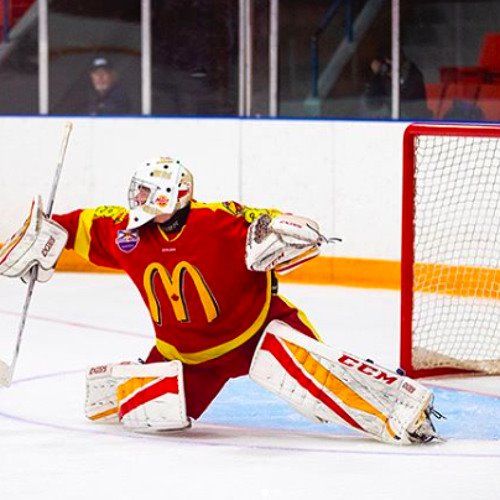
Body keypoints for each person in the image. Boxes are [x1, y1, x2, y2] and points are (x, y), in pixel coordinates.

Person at [0, 157, 442, 445]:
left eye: (144, 193)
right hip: (186, 358)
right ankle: (137, 377)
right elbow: (74, 228)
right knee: (138, 415)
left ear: (171, 196)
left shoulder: (219, 222)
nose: (134, 200)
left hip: (258, 332)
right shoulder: (125, 232)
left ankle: (399, 404)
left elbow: (273, 226)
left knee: (324, 379)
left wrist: (283, 231)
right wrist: (44, 237)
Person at [363, 53, 431, 119]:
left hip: (413, 121)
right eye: (385, 61)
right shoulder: (384, 78)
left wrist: (395, 76)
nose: (388, 63)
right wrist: (377, 75)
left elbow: (406, 103)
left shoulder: (413, 74)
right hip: (393, 120)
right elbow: (372, 104)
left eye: (390, 58)